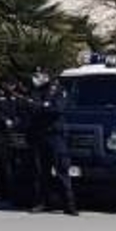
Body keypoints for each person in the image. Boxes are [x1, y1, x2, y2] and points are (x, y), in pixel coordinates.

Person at [24, 68, 77, 216]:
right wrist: (43, 107)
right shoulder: (35, 91)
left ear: (48, 76)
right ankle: (41, 202)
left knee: (62, 170)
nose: (37, 78)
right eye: (36, 75)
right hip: (39, 135)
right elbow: (28, 108)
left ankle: (69, 204)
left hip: (55, 137)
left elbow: (57, 109)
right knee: (40, 171)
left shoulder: (58, 91)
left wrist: (41, 107)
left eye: (40, 75)